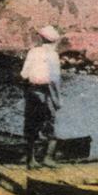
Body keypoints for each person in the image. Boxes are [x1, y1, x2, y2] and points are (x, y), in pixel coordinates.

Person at [20, 24, 63, 167]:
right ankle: (47, 158)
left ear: (42, 39)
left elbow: (24, 74)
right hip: (46, 93)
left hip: (32, 92)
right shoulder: (53, 55)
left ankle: (30, 160)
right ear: (54, 42)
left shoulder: (32, 52)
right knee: (50, 126)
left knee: (31, 125)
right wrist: (57, 101)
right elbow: (54, 80)